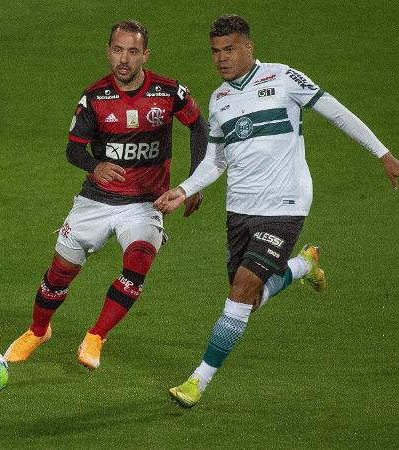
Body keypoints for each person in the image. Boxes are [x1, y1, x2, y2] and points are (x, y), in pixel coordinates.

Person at [154, 14, 399, 407]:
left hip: (286, 203)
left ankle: (197, 380)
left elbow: (334, 111)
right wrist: (184, 189)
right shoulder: (219, 100)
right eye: (216, 52)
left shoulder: (283, 78)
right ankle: (304, 265)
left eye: (230, 49)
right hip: (240, 209)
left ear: (248, 47)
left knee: (241, 291)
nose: (221, 58)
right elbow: (216, 160)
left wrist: (383, 154)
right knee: (248, 300)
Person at [4, 20, 208, 369]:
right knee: (59, 274)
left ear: (145, 54)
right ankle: (38, 331)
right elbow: (73, 150)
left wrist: (194, 183)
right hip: (96, 201)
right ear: (108, 51)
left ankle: (96, 335)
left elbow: (198, 126)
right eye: (117, 50)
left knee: (139, 261)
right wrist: (94, 166)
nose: (124, 59)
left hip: (145, 203)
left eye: (132, 51)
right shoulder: (95, 98)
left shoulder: (169, 92)